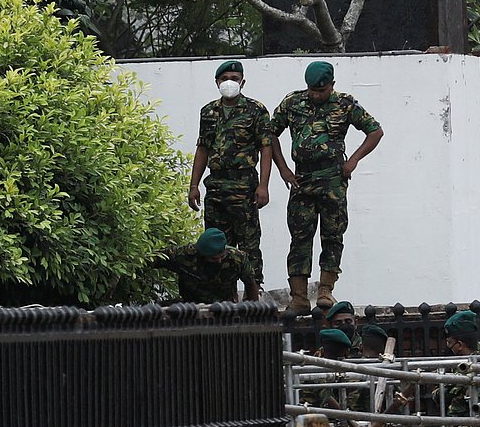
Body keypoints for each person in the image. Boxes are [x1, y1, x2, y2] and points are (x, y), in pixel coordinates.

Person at [269, 61, 384, 314]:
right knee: (300, 237)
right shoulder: (292, 103)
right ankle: (299, 297)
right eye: (312, 90)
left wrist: (353, 160)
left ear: (332, 85)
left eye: (321, 90)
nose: (315, 95)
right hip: (302, 180)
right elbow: (269, 134)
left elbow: (375, 131)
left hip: (332, 178)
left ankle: (325, 291)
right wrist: (283, 169)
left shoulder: (345, 103)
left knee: (332, 235)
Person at [189, 60, 273, 284]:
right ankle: (221, 292)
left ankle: (254, 291)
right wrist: (193, 186)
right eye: (225, 79)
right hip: (216, 187)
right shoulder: (208, 112)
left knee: (249, 243)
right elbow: (203, 148)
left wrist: (263, 186)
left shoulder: (256, 110)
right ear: (217, 82)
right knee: (216, 243)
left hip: (244, 186)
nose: (229, 83)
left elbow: (266, 147)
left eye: (234, 79)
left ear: (242, 82)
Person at [156, 228, 259, 303]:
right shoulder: (182, 255)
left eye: (221, 256)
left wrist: (253, 309)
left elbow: (250, 283)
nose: (219, 261)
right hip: (191, 306)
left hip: (225, 306)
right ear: (202, 254)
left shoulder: (237, 258)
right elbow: (151, 259)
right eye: (213, 258)